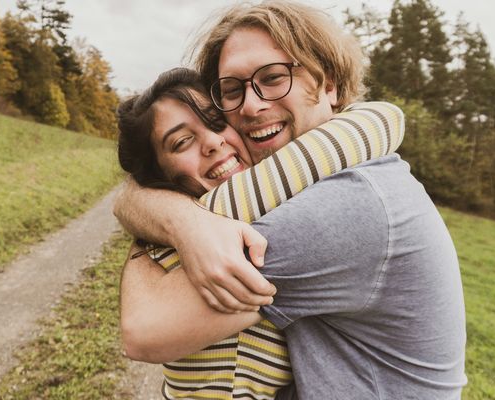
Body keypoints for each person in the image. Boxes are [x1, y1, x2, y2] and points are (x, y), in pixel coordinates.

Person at [119, 1, 467, 399]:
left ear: (330, 85)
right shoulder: (308, 184)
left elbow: (146, 329)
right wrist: (177, 219)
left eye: (273, 77)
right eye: (232, 90)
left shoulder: (346, 206)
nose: (251, 105)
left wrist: (168, 218)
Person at [117, 67, 404, 399]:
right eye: (182, 142)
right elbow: (382, 121)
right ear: (160, 174)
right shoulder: (246, 230)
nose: (212, 142)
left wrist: (153, 211)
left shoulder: (172, 228)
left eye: (215, 121)